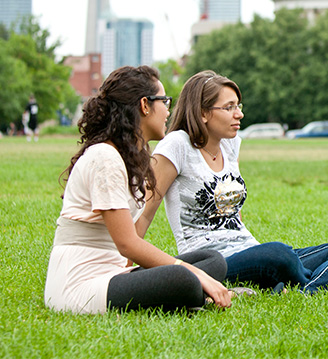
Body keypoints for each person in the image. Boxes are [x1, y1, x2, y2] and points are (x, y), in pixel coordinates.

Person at [141, 70, 328, 294]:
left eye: (238, 106)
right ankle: (322, 278)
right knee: (279, 254)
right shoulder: (177, 145)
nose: (239, 114)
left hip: (251, 252)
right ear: (202, 113)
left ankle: (305, 286)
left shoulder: (230, 145)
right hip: (212, 263)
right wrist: (123, 267)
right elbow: (145, 213)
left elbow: (234, 211)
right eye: (229, 107)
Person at [44, 66, 231, 314]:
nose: (168, 109)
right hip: (82, 283)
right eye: (164, 100)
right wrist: (191, 273)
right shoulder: (105, 157)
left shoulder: (130, 156)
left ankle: (196, 293)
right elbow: (127, 244)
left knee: (212, 260)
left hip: (116, 271)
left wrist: (194, 270)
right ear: (145, 105)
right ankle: (195, 293)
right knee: (184, 278)